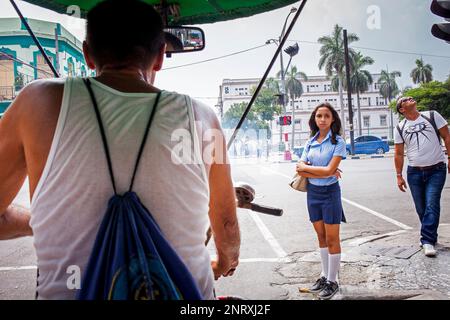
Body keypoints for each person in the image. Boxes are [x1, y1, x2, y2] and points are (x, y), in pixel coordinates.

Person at [0, 0, 240, 299]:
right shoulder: (204, 118)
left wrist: (44, 222)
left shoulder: (36, 102)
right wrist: (225, 262)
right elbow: (227, 224)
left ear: (87, 54)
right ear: (159, 59)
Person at [296, 103, 346, 300]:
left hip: (330, 193)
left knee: (332, 238)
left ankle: (333, 281)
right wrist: (325, 170)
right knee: (321, 237)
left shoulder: (338, 142)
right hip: (313, 194)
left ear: (332, 119)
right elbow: (299, 168)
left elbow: (326, 172)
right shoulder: (310, 142)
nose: (322, 119)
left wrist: (319, 170)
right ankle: (324, 276)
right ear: (314, 119)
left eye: (326, 116)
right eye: (319, 116)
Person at [394, 96, 449, 257]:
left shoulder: (432, 115)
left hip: (437, 169)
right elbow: (398, 153)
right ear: (402, 109)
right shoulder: (400, 127)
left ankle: (427, 240)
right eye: (405, 99)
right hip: (414, 172)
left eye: (410, 97)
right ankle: (430, 235)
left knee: (432, 203)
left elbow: (447, 136)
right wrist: (399, 175)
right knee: (421, 208)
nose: (409, 98)